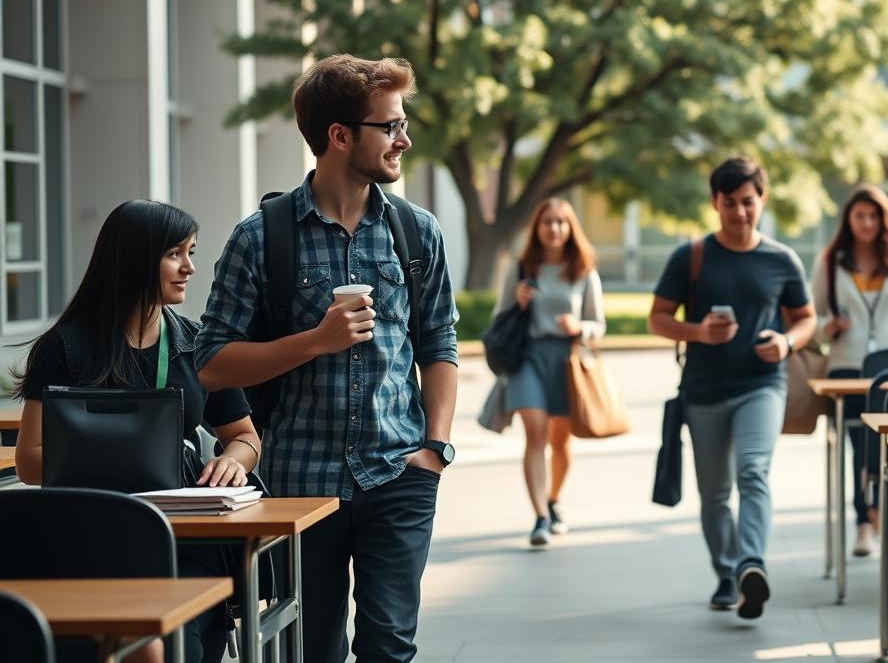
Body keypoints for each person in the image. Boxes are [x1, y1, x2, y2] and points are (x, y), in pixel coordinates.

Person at [195, 55, 460, 663]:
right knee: (313, 649)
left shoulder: (417, 233)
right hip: (299, 485)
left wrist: (433, 451)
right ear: (339, 136)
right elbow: (211, 362)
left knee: (389, 645)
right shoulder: (262, 236)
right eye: (389, 126)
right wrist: (316, 339)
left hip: (400, 473)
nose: (404, 138)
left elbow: (439, 344)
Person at [13, 200, 261, 663]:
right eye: (175, 254)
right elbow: (29, 461)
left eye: (191, 252)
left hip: (184, 544)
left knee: (168, 646)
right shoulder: (64, 347)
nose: (189, 267)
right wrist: (112, 466)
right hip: (89, 542)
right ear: (133, 260)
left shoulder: (198, 345)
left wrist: (233, 459)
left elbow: (246, 436)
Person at [648, 157, 817, 620]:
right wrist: (700, 332)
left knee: (753, 471)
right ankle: (727, 574)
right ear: (714, 203)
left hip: (762, 385)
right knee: (716, 494)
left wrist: (785, 342)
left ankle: (751, 563)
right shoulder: (692, 256)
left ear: (762, 200)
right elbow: (657, 318)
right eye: (729, 204)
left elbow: (806, 320)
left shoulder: (782, 260)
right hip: (703, 391)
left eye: (748, 202)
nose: (739, 213)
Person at [811, 183, 888, 556]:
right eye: (859, 215)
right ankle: (864, 522)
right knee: (858, 448)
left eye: (874, 215)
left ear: (884, 218)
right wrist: (828, 327)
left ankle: (881, 510)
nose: (867, 222)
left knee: (887, 447)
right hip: (846, 366)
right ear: (849, 219)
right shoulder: (830, 260)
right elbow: (810, 317)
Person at [489, 197, 606, 547]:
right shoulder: (523, 268)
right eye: (547, 222)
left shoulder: (583, 270)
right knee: (535, 434)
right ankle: (540, 516)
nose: (554, 228)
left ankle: (554, 500)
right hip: (527, 357)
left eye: (561, 222)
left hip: (566, 361)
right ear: (537, 228)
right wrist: (520, 305)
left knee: (560, 440)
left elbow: (598, 324)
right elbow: (499, 318)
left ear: (570, 228)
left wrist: (579, 327)